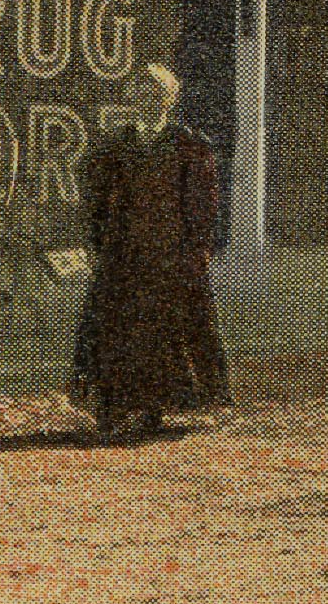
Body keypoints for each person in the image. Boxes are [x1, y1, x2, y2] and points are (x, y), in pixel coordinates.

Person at [67, 62, 233, 437]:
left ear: (170, 100)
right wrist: (95, 242)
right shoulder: (116, 146)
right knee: (116, 329)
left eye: (158, 94)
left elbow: (204, 206)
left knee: (167, 331)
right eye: (141, 92)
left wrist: (197, 249)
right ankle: (113, 406)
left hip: (170, 257)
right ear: (131, 98)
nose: (149, 100)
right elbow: (93, 198)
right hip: (124, 257)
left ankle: (160, 406)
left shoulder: (189, 146)